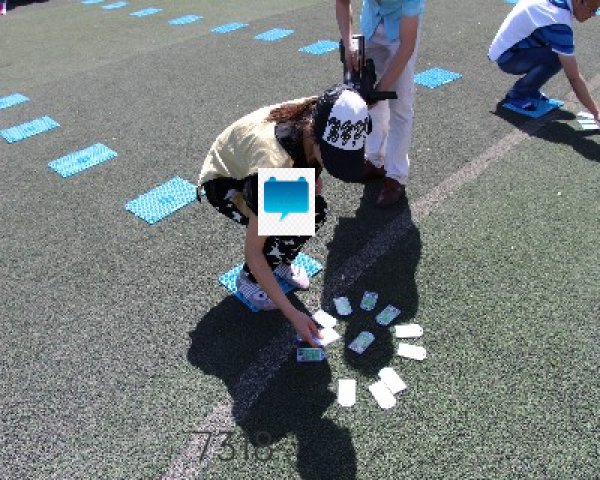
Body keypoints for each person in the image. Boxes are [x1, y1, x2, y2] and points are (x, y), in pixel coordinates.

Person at [198, 84, 370, 345]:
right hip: (226, 181)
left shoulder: (326, 112)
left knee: (310, 207)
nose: (334, 164)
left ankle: (279, 261)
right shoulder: (275, 166)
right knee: (293, 217)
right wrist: (293, 313)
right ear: (316, 138)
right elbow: (253, 251)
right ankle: (248, 279)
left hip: (261, 165)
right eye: (333, 157)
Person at [336, 0, 426, 208]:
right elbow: (342, 2)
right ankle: (375, 159)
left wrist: (381, 89)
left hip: (401, 28)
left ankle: (396, 176)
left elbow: (407, 46)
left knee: (400, 103)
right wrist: (349, 43)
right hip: (372, 22)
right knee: (366, 89)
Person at [489, 0, 600, 121]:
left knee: (558, 52)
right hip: (508, 57)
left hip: (509, 47)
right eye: (592, 9)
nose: (593, 15)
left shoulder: (559, 5)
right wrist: (596, 112)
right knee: (558, 57)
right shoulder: (557, 19)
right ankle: (517, 94)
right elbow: (574, 78)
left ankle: (530, 90)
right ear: (579, 2)